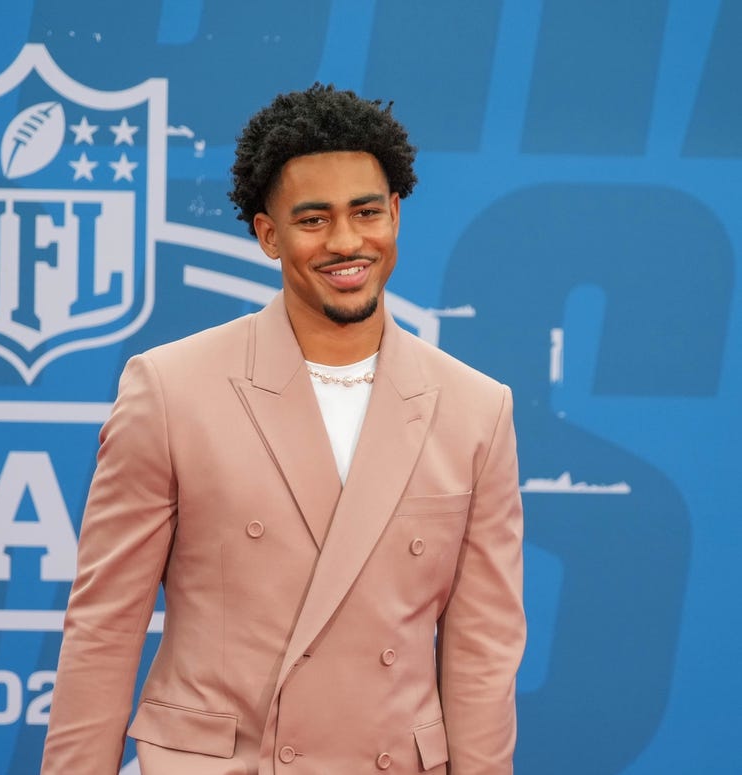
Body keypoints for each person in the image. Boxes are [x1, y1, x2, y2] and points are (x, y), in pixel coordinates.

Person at [41, 84, 525, 775]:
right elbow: (104, 627)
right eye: (313, 219)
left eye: (365, 212)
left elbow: (483, 651)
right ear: (269, 234)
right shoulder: (170, 389)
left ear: (395, 214)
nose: (346, 242)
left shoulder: (477, 408)